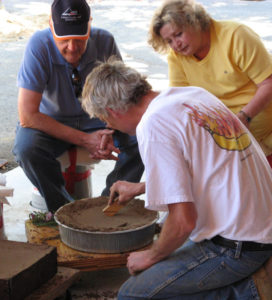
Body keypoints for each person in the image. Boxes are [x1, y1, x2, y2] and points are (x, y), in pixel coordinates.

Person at [82, 58, 272, 299]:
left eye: (105, 120)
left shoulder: (152, 125)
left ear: (112, 111)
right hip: (261, 227)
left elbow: (183, 222)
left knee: (133, 293)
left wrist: (150, 256)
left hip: (239, 247)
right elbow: (204, 168)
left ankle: (249, 292)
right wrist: (141, 187)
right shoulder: (191, 95)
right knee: (164, 255)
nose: (110, 126)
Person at [12, 0, 144, 212]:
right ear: (51, 26)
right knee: (26, 147)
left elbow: (123, 98)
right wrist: (85, 140)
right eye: (64, 39)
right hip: (52, 125)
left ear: (89, 25)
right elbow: (28, 115)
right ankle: (65, 211)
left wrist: (111, 129)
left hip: (100, 120)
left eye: (79, 39)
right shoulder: (38, 45)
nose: (72, 48)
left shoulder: (105, 40)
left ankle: (109, 205)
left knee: (143, 135)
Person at [148, 0, 272, 166]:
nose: (176, 45)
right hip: (227, 139)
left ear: (196, 22)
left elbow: (268, 84)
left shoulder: (236, 35)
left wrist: (244, 118)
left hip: (261, 129)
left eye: (178, 34)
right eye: (169, 41)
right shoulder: (176, 57)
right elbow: (179, 102)